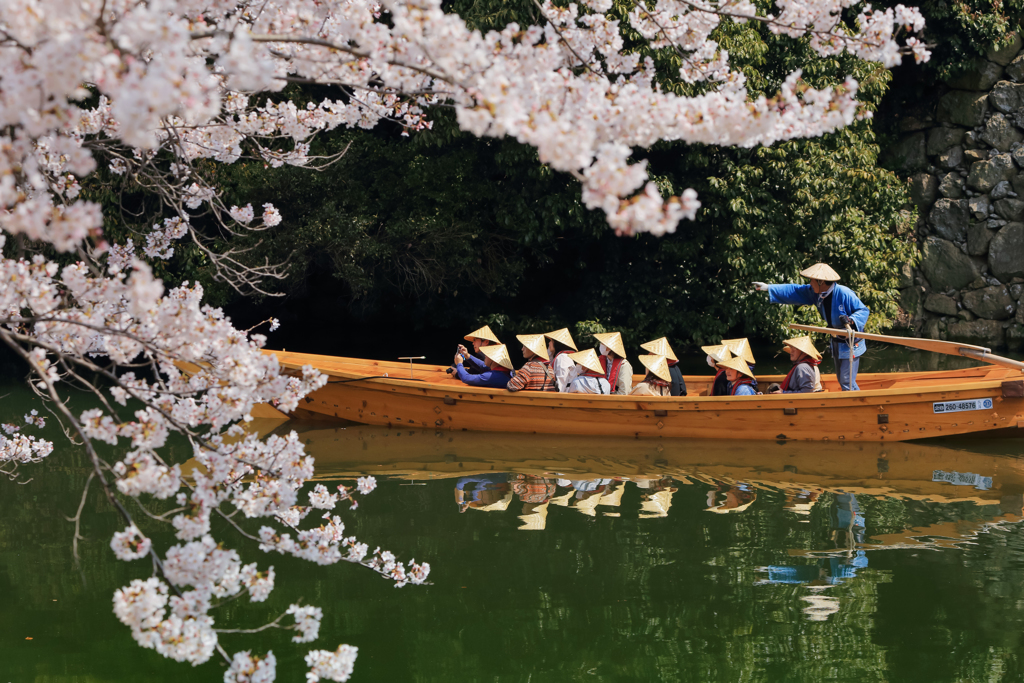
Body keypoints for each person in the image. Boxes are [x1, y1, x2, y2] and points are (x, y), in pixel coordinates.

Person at [753, 263, 870, 391]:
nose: (810, 283)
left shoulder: (844, 293)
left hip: (851, 342)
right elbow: (795, 291)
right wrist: (769, 288)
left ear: (821, 282)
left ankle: (854, 406)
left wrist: (851, 320)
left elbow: (863, 310)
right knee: (841, 378)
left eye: (812, 280)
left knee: (846, 380)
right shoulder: (816, 293)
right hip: (836, 341)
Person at [543, 328, 578, 392]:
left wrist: (557, 396)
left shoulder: (562, 357)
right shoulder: (561, 356)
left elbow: (561, 381)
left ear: (556, 343)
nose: (549, 343)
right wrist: (550, 352)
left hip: (564, 395)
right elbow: (548, 361)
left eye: (551, 341)